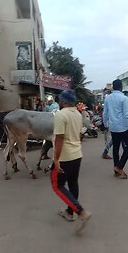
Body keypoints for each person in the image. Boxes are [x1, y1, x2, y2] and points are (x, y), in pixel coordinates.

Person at [51, 90, 91, 233]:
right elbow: (80, 134)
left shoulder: (61, 114)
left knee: (57, 185)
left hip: (65, 156)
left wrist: (56, 159)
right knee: (73, 182)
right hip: (77, 154)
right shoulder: (78, 114)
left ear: (63, 101)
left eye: (60, 100)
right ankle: (69, 212)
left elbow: (60, 138)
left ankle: (81, 212)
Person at [103, 79, 128, 179]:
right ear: (121, 87)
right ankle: (119, 167)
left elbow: (105, 113)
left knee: (115, 148)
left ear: (113, 87)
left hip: (113, 127)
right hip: (123, 127)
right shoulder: (124, 98)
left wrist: (105, 124)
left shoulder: (108, 98)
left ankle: (116, 169)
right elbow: (126, 115)